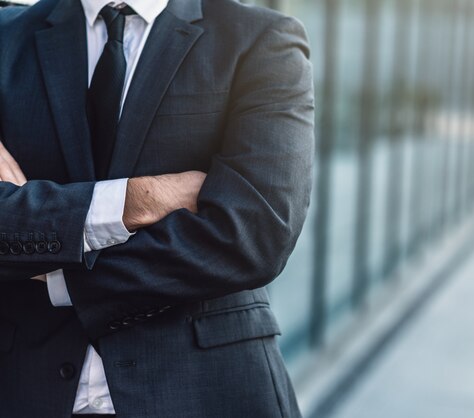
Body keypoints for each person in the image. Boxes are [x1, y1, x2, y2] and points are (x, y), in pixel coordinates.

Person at [0, 0, 314, 416]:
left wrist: (56, 270)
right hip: (23, 388)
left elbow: (253, 235)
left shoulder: (261, 40)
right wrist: (136, 200)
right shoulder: (7, 36)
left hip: (205, 389)